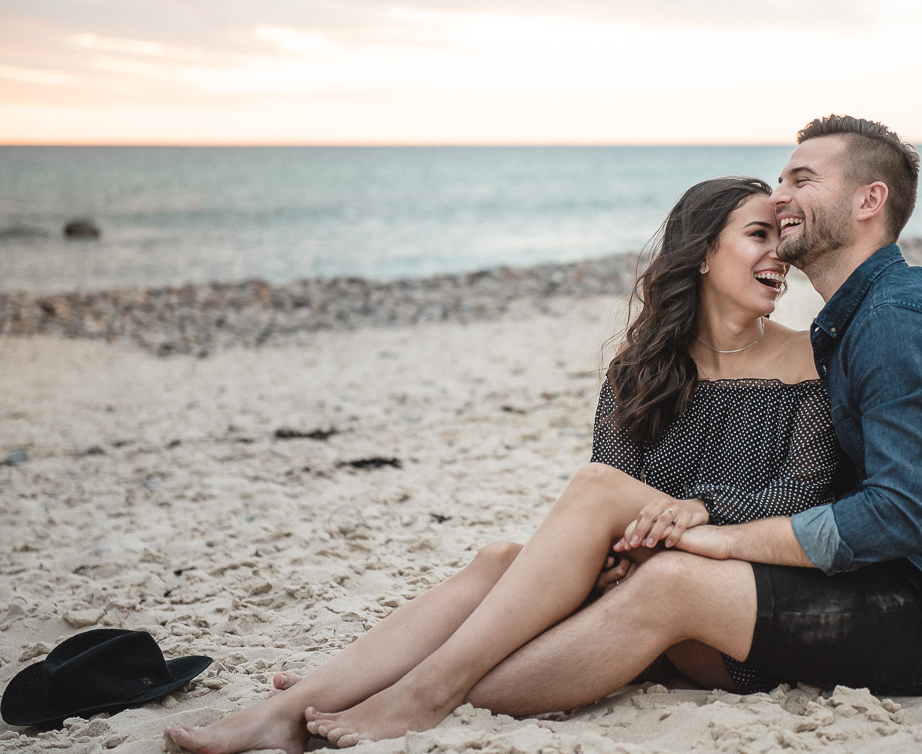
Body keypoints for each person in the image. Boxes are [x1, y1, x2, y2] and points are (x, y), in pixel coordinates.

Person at [165, 176, 846, 753]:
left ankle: (420, 690)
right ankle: (289, 710)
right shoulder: (638, 371)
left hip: (726, 615)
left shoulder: (807, 360)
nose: (780, 258)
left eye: (781, 242)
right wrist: (623, 552)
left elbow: (802, 494)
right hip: (632, 584)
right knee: (498, 556)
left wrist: (699, 509)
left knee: (592, 489)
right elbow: (606, 508)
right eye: (761, 236)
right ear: (701, 253)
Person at [419, 115, 922, 717]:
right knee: (506, 560)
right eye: (780, 184)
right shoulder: (853, 324)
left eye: (801, 179)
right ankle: (345, 695)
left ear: (867, 200)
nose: (781, 197)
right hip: (897, 581)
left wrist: (709, 535)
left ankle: (429, 695)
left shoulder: (895, 320)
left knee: (670, 581)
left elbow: (893, 515)